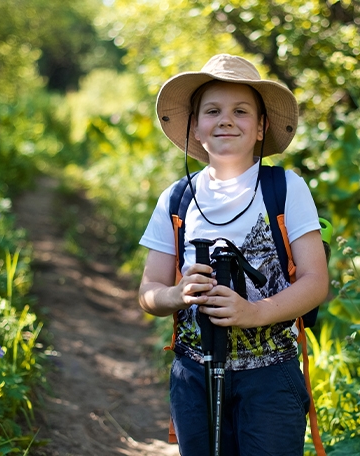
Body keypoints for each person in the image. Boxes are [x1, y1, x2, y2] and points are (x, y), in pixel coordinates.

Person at [138, 54, 329, 455]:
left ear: (261, 127)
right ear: (194, 126)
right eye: (213, 111)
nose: (226, 120)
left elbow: (315, 281)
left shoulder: (285, 188)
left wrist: (254, 313)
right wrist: (178, 294)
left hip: (271, 376)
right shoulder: (176, 198)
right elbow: (149, 291)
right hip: (194, 373)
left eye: (241, 111)